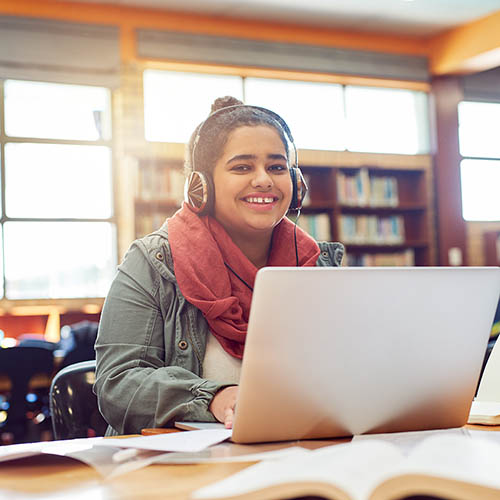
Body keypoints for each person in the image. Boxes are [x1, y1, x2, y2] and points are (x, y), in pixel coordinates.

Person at [94, 96, 344, 435]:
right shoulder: (152, 263)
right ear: (202, 186)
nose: (264, 180)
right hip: (178, 475)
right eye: (242, 167)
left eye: (277, 167)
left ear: (296, 183)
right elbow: (118, 383)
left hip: (294, 454)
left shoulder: (318, 266)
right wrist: (213, 397)